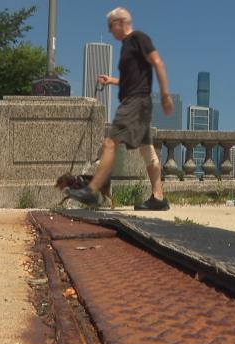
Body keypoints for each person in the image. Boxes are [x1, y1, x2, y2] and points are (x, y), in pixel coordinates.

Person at [67, 7, 174, 211]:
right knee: (147, 151)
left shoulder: (138, 38)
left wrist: (166, 95)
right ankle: (158, 197)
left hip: (135, 102)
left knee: (110, 142)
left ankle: (93, 191)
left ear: (121, 22)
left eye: (111, 26)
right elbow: (130, 79)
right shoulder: (126, 46)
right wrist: (111, 80)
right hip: (137, 102)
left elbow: (158, 63)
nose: (109, 31)